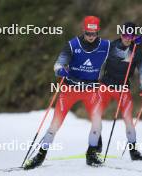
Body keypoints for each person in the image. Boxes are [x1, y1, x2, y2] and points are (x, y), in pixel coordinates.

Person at [24, 16, 110, 169]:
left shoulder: (105, 45)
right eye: (88, 33)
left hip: (91, 90)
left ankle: (91, 154)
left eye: (94, 33)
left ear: (98, 31)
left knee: (97, 124)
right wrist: (60, 70)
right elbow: (58, 64)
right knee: (54, 125)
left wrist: (133, 44)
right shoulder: (72, 45)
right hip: (69, 89)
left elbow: (125, 52)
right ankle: (40, 156)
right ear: (83, 30)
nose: (91, 37)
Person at [97, 22, 142, 161]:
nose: (127, 38)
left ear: (133, 36)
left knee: (128, 120)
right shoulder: (111, 46)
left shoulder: (136, 51)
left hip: (122, 88)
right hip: (105, 86)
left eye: (130, 36)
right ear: (121, 34)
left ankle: (133, 151)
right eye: (125, 35)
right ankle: (96, 147)